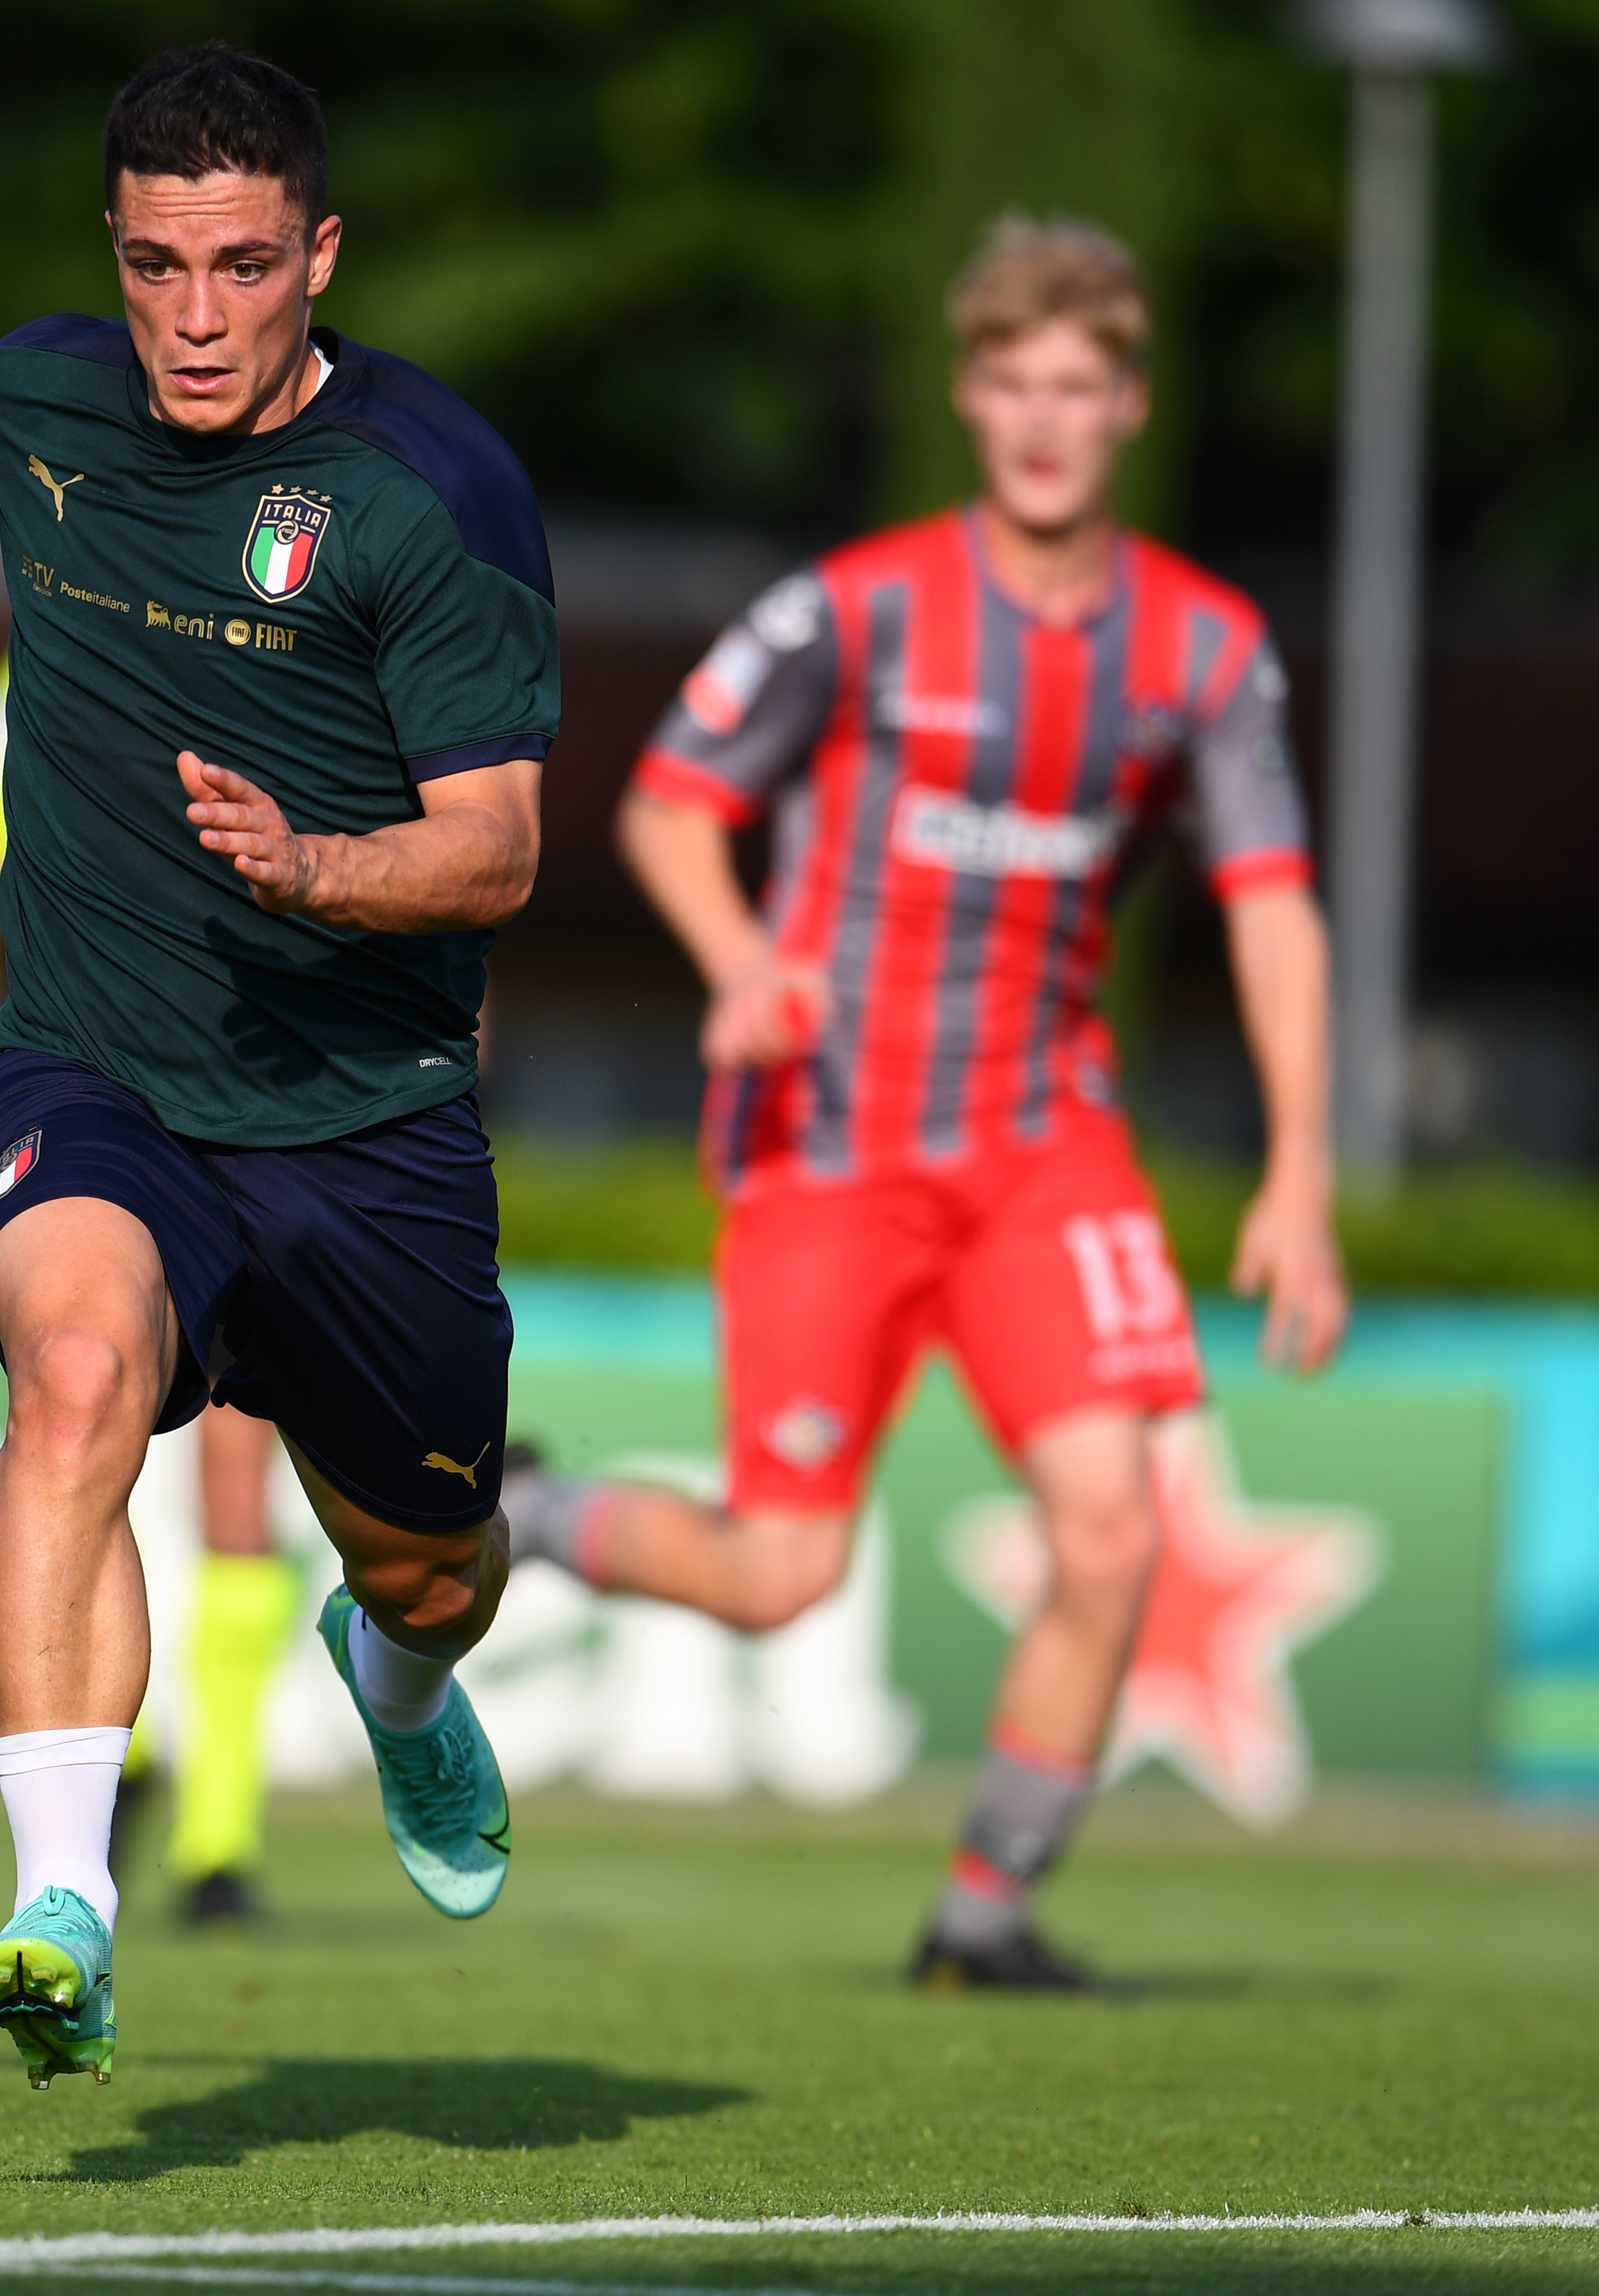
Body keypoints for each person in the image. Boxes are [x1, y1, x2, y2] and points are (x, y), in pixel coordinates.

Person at [0, 43, 558, 2086]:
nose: (193, 317)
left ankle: (399, 1687)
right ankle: (60, 1903)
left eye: (241, 267)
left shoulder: (430, 493)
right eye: (156, 266)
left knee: (430, 1569)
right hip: (99, 1075)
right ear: (114, 252)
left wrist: (317, 865)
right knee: (72, 1384)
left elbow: (502, 847)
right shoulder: (54, 392)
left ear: (318, 257)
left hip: (363, 1121)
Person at [505, 217, 1348, 1990]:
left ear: (1127, 405)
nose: (1042, 420)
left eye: (1076, 387)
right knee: (779, 1578)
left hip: (1043, 1143)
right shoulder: (858, 608)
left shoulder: (1203, 649)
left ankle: (984, 1914)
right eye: (1011, 383)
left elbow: (1274, 904)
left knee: (1113, 1529)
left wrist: (1300, 1171)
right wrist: (741, 959)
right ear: (969, 396)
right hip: (830, 1142)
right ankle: (521, 1516)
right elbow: (666, 802)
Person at [0, 655, 301, 1928]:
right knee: (84, 1401)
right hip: (101, 1094)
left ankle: (220, 1829)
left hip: (277, 1094)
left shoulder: (326, 615)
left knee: (240, 1461)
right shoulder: (56, 637)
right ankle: (119, 1768)